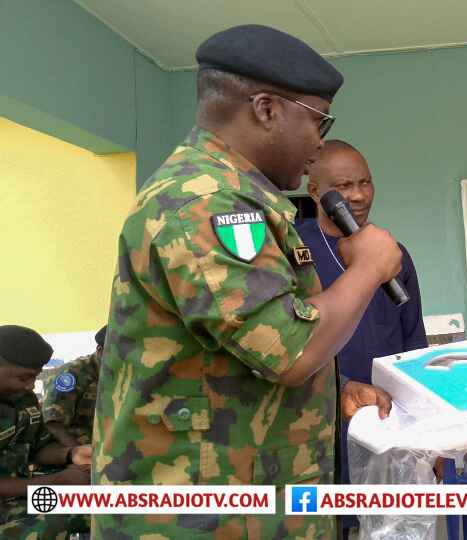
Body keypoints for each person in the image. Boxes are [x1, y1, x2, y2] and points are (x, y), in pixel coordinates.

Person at [92, 24, 401, 539]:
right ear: (265, 109)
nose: (319, 143)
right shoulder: (204, 203)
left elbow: (233, 348)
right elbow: (291, 352)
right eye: (318, 121)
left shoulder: (244, 202)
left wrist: (335, 390)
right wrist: (369, 267)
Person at [297, 140, 429, 535]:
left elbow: (414, 349)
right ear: (315, 191)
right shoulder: (294, 251)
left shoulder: (393, 255)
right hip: (317, 431)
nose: (357, 195)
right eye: (344, 186)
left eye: (365, 183)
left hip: (385, 431)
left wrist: (428, 437)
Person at [0, 325, 91, 539]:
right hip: (19, 499)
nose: (31, 386)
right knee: (55, 524)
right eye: (23, 378)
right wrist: (58, 481)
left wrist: (72, 454)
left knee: (109, 504)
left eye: (35, 377)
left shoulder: (23, 399)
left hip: (23, 496)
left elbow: (38, 447)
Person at [42, 325, 106, 447]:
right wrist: (79, 455)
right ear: (100, 350)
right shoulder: (72, 374)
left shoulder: (124, 374)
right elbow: (53, 425)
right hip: (73, 448)